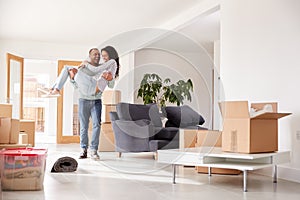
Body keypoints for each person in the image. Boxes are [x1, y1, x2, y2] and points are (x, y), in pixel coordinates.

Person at [40, 46, 120, 160]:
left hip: (96, 100)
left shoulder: (103, 68)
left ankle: (93, 150)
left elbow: (111, 85)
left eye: (101, 55)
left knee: (97, 125)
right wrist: (72, 78)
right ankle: (83, 149)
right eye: (96, 54)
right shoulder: (85, 68)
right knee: (83, 126)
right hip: (83, 100)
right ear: (90, 56)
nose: (99, 57)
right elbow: (77, 86)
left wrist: (110, 78)